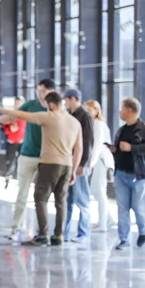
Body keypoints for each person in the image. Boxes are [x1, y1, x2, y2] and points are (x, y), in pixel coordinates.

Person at [0, 91, 82, 246]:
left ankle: (42, 234)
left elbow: (21, 115)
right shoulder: (74, 122)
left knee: (40, 198)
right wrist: (74, 170)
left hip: (50, 163)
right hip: (67, 165)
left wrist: (0, 109)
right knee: (61, 201)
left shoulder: (48, 116)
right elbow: (79, 148)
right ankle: (58, 236)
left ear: (51, 104)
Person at [8, 79, 56, 241]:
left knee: (42, 197)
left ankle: (41, 230)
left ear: (51, 92)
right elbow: (14, 117)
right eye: (38, 91)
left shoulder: (55, 110)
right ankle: (16, 228)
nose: (40, 94)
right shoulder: (31, 105)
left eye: (43, 91)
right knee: (22, 194)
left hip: (46, 157)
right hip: (27, 155)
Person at [110, 97, 145, 250]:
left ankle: (143, 231)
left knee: (139, 207)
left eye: (122, 108)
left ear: (130, 110)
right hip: (121, 174)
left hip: (140, 176)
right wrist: (114, 150)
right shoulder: (121, 130)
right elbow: (120, 149)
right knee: (122, 208)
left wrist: (132, 148)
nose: (120, 112)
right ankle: (124, 239)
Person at [62, 89, 95, 243]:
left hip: (79, 164)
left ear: (73, 98)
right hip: (68, 162)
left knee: (82, 200)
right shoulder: (69, 115)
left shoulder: (85, 116)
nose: (65, 102)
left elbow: (88, 142)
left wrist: (83, 164)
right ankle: (64, 232)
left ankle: (83, 232)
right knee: (67, 199)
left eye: (66, 99)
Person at [84, 100, 116, 231]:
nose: (87, 113)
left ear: (97, 111)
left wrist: (90, 164)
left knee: (99, 191)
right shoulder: (92, 124)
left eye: (90, 110)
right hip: (97, 159)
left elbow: (97, 145)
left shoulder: (98, 124)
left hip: (100, 160)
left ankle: (102, 223)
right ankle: (108, 219)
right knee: (96, 190)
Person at [1, 105, 26, 188]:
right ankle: (7, 178)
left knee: (22, 162)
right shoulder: (9, 116)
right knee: (10, 161)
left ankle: (20, 180)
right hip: (11, 142)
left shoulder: (25, 117)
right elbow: (3, 128)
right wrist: (10, 130)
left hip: (21, 142)